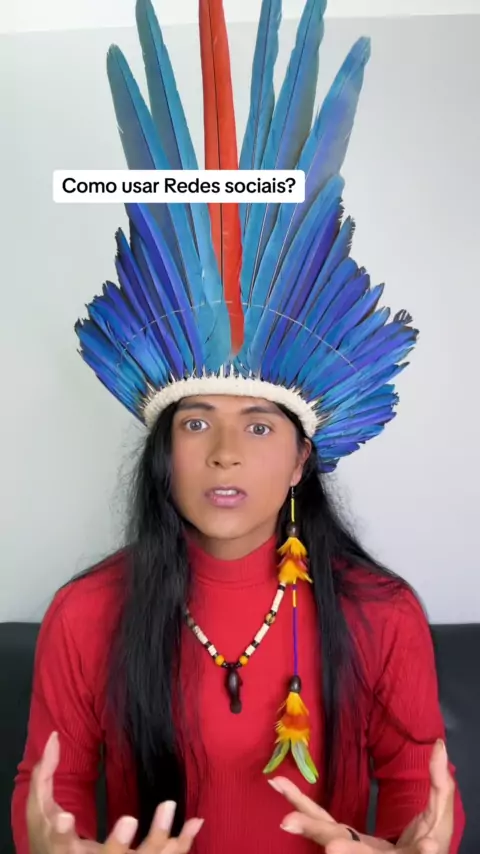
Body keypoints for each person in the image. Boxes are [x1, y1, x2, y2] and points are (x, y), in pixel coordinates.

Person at [11, 0, 465, 852]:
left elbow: (419, 793)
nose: (224, 452)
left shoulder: (382, 615)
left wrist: (406, 847)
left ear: (301, 461)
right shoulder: (86, 615)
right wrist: (50, 843)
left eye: (260, 428)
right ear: (164, 450)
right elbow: (51, 792)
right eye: (195, 424)